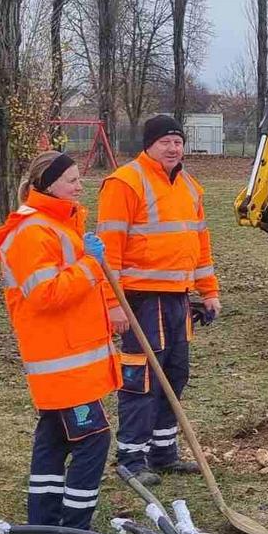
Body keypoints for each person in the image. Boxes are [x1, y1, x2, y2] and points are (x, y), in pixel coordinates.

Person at [0, 150, 121, 534]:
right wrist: (90, 265)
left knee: (54, 440)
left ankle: (44, 527)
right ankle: (73, 533)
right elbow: (45, 295)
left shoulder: (57, 226)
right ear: (47, 185)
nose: (80, 186)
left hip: (70, 359)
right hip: (61, 364)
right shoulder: (32, 232)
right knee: (94, 439)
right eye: (72, 180)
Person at [97, 115, 221, 485]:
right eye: (165, 142)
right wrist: (113, 303)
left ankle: (163, 452)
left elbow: (200, 245)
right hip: (140, 300)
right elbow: (108, 250)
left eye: (178, 142)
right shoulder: (124, 183)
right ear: (148, 145)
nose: (173, 148)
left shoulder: (189, 187)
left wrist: (209, 292)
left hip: (177, 300)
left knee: (174, 374)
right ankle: (131, 458)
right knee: (141, 378)